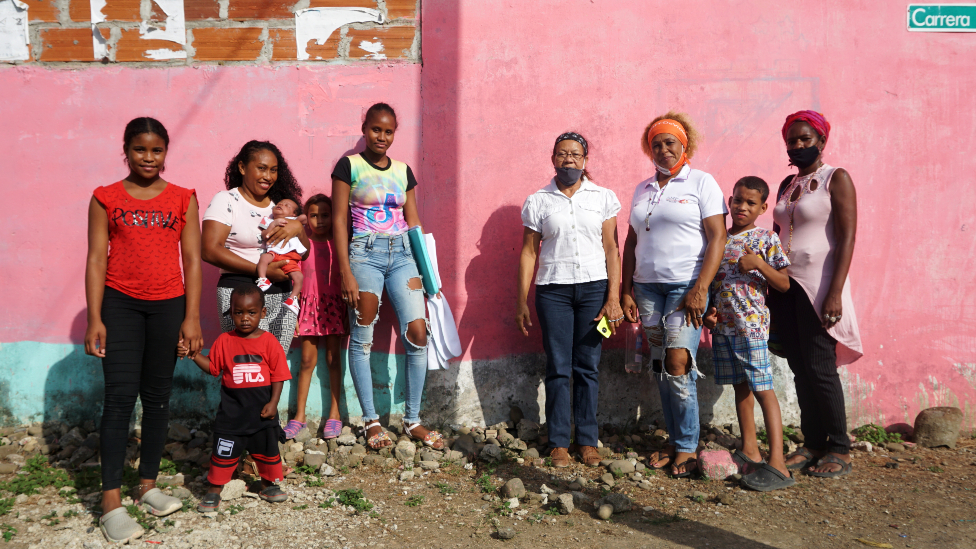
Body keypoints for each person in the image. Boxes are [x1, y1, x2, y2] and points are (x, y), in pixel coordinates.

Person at [84, 117, 203, 543]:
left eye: (156, 150)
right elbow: (97, 259)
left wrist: (192, 316)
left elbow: (191, 260)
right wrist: (95, 317)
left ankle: (147, 484)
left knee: (157, 398)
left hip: (169, 306)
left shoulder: (182, 198)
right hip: (120, 304)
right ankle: (111, 501)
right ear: (126, 150)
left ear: (165, 152)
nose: (148, 158)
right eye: (140, 150)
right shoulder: (105, 198)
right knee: (119, 399)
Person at [620, 112, 727, 478]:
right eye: (656, 144)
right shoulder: (643, 188)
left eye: (670, 143)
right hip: (647, 289)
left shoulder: (701, 182)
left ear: (685, 145)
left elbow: (718, 237)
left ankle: (687, 445)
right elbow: (632, 240)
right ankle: (672, 439)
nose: (663, 150)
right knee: (661, 364)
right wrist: (625, 289)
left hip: (686, 288)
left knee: (679, 362)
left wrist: (701, 288)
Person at [332, 102, 444, 450]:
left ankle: (413, 420)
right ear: (364, 128)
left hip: (403, 256)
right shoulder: (347, 166)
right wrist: (345, 273)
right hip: (364, 254)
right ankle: (371, 421)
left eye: (389, 131)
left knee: (418, 332)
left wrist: (427, 271)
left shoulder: (403, 170)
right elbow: (338, 221)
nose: (382, 136)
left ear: (395, 133)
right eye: (376, 129)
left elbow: (414, 221)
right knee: (362, 335)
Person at [516, 131, 623, 468]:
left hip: (594, 290)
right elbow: (529, 252)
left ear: (585, 161)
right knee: (559, 367)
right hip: (554, 292)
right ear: (553, 159)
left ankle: (587, 441)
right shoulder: (538, 200)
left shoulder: (603, 197)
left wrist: (614, 298)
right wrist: (521, 299)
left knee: (588, 366)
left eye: (576, 155)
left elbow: (612, 249)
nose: (569, 160)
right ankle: (559, 442)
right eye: (562, 154)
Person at [769, 110, 862, 478]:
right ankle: (812, 443)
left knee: (821, 367)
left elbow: (847, 236)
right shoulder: (787, 184)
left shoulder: (835, 178)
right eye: (792, 140)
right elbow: (779, 235)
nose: (798, 145)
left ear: (821, 141)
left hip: (818, 287)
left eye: (805, 139)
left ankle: (839, 447)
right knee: (799, 368)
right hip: (785, 287)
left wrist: (835, 292)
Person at [701, 177, 794, 491]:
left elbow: (783, 284)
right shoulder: (720, 241)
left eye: (750, 203)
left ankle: (778, 463)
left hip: (752, 327)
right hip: (725, 328)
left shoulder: (766, 239)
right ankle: (750, 450)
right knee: (740, 387)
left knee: (763, 389)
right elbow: (717, 283)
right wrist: (711, 312)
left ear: (763, 208)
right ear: (729, 201)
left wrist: (758, 264)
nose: (742, 207)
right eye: (738, 200)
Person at [178, 284, 291, 511]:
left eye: (251, 312)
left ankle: (268, 484)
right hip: (232, 414)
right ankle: (214, 490)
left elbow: (279, 375)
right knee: (223, 451)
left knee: (266, 449)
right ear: (231, 313)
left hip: (262, 413)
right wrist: (193, 354)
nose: (245, 318)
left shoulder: (269, 342)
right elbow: (212, 368)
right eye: (239, 313)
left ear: (263, 313)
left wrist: (273, 403)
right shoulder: (224, 341)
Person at [202, 141, 308, 351]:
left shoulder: (280, 206)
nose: (268, 176)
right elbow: (209, 250)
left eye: (274, 170)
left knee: (275, 365)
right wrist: (264, 272)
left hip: (282, 294)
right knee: (246, 365)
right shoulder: (226, 201)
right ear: (242, 167)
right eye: (261, 168)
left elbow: (303, 254)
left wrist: (298, 227)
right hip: (239, 294)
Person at [284, 194, 348, 440]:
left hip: (332, 308)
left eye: (325, 215)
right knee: (307, 361)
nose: (319, 220)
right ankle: (299, 416)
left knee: (333, 360)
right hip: (309, 309)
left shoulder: (338, 244)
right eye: (313, 215)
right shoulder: (303, 245)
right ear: (306, 218)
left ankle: (335, 414)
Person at [255, 197, 307, 316]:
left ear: (293, 213)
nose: (281, 204)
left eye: (287, 205)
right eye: (279, 203)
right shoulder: (269, 220)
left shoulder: (293, 220)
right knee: (263, 259)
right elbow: (264, 235)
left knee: (299, 277)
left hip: (291, 257)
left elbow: (304, 218)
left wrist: (296, 221)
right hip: (275, 252)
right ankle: (263, 279)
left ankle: (292, 299)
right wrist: (274, 224)